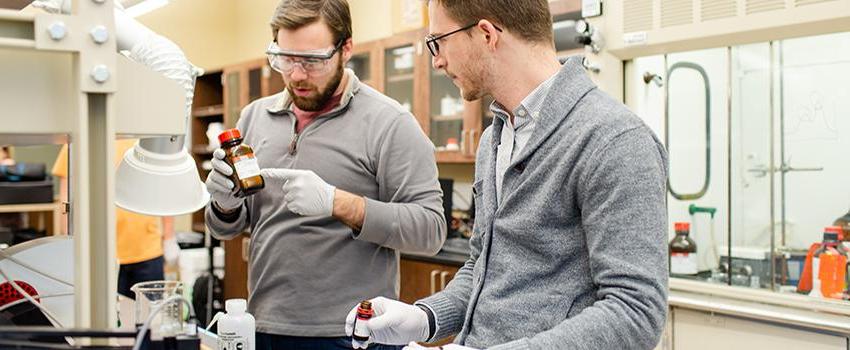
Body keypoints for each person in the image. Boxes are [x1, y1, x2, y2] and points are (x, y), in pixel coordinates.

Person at [344, 1, 669, 349]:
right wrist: (425, 318)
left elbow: (635, 313)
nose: (437, 60)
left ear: (486, 34)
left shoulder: (613, 139)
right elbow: (483, 266)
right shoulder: (495, 139)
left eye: (439, 42)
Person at [203, 0, 446, 349]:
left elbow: (430, 230)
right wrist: (224, 206)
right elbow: (225, 227)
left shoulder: (389, 123)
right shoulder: (254, 117)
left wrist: (339, 203)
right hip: (265, 324)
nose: (297, 75)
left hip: (352, 334)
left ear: (346, 48)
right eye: (286, 59)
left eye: (313, 60)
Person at [52, 140, 178, 298]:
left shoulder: (146, 140)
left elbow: (163, 189)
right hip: (100, 253)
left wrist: (169, 237)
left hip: (147, 249)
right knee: (107, 318)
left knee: (149, 317)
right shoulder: (80, 138)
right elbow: (67, 199)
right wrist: (68, 242)